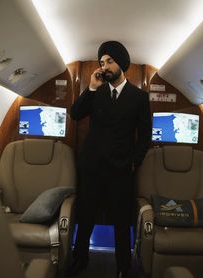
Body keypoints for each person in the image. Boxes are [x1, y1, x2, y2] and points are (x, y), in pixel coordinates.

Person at [65, 41, 152, 278]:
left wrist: (135, 162)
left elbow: (144, 137)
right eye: (102, 62)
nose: (105, 66)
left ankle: (123, 266)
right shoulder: (97, 92)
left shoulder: (139, 97)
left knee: (122, 222)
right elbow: (75, 114)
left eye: (110, 61)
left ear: (121, 64)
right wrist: (91, 88)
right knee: (86, 217)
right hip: (92, 168)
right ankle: (80, 259)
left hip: (121, 170)